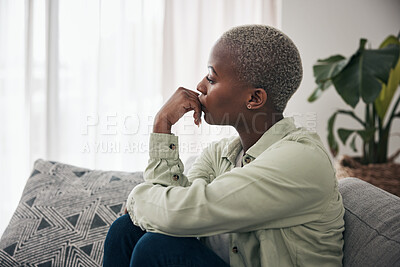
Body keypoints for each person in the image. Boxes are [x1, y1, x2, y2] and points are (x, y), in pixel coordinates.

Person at [103, 25, 345, 267]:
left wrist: (136, 197)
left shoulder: (300, 159)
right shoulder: (221, 155)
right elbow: (169, 215)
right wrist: (162, 125)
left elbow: (179, 214)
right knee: (126, 230)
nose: (199, 86)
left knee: (157, 248)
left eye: (211, 78)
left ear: (254, 99)